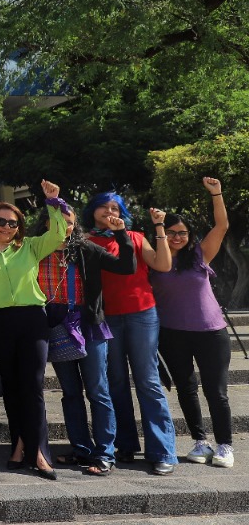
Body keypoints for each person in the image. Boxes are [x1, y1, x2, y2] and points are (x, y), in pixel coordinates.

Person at [0, 180, 66, 480]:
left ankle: (38, 452)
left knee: (33, 386)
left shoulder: (30, 247)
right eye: (1, 221)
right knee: (11, 387)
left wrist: (53, 203)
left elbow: (59, 233)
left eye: (13, 223)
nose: (7, 227)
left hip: (32, 320)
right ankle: (19, 445)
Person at [32, 204, 135, 476]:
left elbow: (126, 267)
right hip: (54, 322)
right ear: (46, 224)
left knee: (98, 390)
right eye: (58, 221)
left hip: (87, 322)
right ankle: (81, 449)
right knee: (70, 392)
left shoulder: (86, 249)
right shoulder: (35, 250)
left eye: (69, 222)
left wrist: (121, 235)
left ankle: (105, 454)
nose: (65, 227)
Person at [83, 192, 178, 475]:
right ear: (93, 210)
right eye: (104, 207)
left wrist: (159, 227)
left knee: (148, 381)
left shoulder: (135, 237)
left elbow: (163, 265)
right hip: (106, 317)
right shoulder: (85, 241)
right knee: (115, 381)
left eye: (116, 208)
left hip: (142, 313)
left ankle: (163, 451)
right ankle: (124, 444)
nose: (110, 211)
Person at [152, 177, 234, 469]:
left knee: (217, 391)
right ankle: (200, 441)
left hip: (212, 333)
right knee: (186, 389)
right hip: (173, 334)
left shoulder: (199, 255)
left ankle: (225, 445)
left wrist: (217, 194)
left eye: (182, 232)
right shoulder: (154, 260)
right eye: (171, 232)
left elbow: (221, 226)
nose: (177, 237)